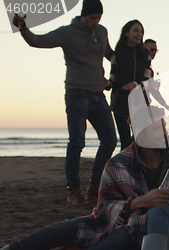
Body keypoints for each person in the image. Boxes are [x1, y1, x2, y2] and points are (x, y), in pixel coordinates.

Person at [0, 106, 169, 250]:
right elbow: (104, 208)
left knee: (125, 235)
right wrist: (140, 202)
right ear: (140, 134)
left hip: (144, 227)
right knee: (64, 228)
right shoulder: (119, 163)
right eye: (157, 128)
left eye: (164, 126)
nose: (164, 132)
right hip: (114, 221)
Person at [12, 0, 116, 206]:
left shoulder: (102, 31)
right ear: (83, 16)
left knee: (110, 140)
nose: (96, 22)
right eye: (93, 18)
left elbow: (111, 54)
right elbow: (38, 41)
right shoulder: (67, 32)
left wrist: (112, 78)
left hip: (98, 94)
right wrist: (23, 28)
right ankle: (73, 192)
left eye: (99, 18)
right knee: (77, 142)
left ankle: (95, 188)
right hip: (77, 93)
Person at [109, 20, 151, 150]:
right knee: (125, 141)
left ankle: (138, 168)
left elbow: (147, 79)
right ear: (126, 33)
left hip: (139, 102)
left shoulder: (145, 54)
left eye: (141, 32)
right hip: (120, 102)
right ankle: (126, 169)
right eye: (136, 31)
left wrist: (136, 84)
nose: (139, 34)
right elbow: (113, 77)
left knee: (139, 139)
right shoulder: (118, 53)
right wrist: (107, 84)